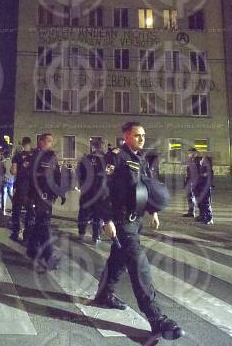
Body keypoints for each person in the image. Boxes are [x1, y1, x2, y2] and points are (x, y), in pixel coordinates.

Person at [94, 121, 184, 340]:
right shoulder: (115, 157)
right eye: (137, 135)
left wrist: (153, 211)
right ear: (126, 136)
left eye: (143, 135)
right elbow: (100, 188)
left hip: (135, 220)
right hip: (120, 220)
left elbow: (145, 186)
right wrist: (106, 219)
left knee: (118, 258)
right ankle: (157, 318)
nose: (142, 138)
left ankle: (104, 295)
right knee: (138, 264)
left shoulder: (141, 158)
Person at [27, 133, 67, 271]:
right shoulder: (34, 156)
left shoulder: (52, 156)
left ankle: (31, 250)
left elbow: (57, 175)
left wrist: (61, 193)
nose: (51, 143)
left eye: (52, 141)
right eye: (48, 141)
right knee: (44, 227)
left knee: (40, 225)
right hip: (38, 198)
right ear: (41, 142)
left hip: (48, 197)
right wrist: (27, 197)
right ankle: (49, 258)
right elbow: (29, 178)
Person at [76, 139, 108, 244]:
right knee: (97, 215)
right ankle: (97, 236)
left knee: (83, 213)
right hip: (100, 192)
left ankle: (81, 233)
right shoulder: (107, 159)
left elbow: (79, 173)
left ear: (93, 147)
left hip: (87, 192)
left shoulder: (86, 158)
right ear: (103, 147)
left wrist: (81, 185)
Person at [9, 137, 35, 242]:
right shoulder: (35, 156)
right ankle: (27, 235)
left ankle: (15, 233)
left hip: (20, 187)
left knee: (16, 211)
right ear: (30, 143)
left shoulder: (18, 156)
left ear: (22, 144)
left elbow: (13, 171)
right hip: (31, 189)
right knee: (30, 212)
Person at [195, 156, 214, 225]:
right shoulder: (201, 168)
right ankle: (203, 216)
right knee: (201, 203)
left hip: (205, 188)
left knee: (206, 203)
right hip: (199, 188)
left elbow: (207, 178)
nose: (201, 161)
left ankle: (209, 218)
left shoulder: (208, 169)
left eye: (203, 160)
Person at [182, 148, 200, 218]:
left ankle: (195, 213)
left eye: (190, 153)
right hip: (189, 182)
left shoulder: (197, 161)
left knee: (194, 197)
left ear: (195, 153)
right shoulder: (190, 161)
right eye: (188, 153)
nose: (189, 154)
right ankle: (190, 211)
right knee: (189, 197)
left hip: (193, 182)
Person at [0, 151, 14, 215]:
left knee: (4, 195)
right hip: (11, 181)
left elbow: (2, 171)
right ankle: (15, 208)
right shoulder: (13, 162)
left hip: (5, 180)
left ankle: (3, 211)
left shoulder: (4, 162)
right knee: (11, 194)